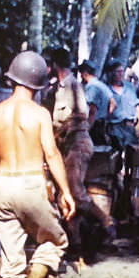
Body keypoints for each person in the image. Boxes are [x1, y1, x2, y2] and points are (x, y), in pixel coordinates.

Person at [0, 51, 75, 278]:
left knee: (12, 253)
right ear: (37, 84)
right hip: (31, 182)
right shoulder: (39, 114)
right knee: (55, 241)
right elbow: (51, 153)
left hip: (2, 185)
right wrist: (66, 191)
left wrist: (4, 182)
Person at [48, 48, 117, 248]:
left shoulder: (74, 86)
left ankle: (105, 220)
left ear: (54, 65)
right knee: (64, 193)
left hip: (77, 144)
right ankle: (74, 240)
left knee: (75, 192)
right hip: (66, 146)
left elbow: (81, 116)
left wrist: (58, 133)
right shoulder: (58, 89)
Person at [105, 61, 139, 150]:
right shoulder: (106, 90)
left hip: (129, 126)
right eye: (117, 71)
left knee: (132, 153)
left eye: (122, 71)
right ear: (112, 73)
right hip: (114, 127)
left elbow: (137, 106)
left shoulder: (129, 87)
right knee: (116, 152)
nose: (120, 74)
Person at [79, 61, 112, 146]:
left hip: (94, 126)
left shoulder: (92, 87)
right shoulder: (103, 86)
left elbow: (92, 111)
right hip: (102, 125)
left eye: (81, 74)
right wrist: (105, 115)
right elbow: (113, 103)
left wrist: (86, 131)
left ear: (85, 73)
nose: (81, 76)